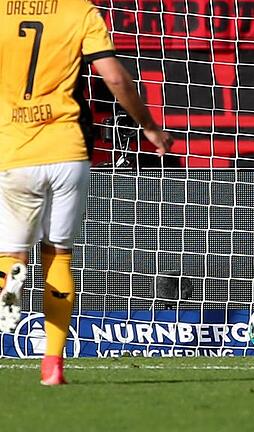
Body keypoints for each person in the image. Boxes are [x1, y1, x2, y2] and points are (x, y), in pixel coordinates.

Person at [0, 1, 173, 385]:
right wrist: (148, 126)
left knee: (11, 253)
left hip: (14, 150)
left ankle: (9, 281)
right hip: (67, 150)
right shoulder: (80, 12)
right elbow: (113, 76)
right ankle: (52, 366)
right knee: (58, 254)